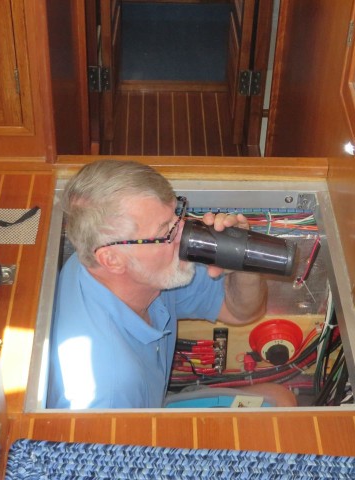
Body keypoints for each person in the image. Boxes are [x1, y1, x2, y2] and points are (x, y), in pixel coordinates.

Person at [47, 159, 296, 409]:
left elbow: (239, 311)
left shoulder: (147, 272)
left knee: (280, 401)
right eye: (165, 231)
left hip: (147, 406)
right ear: (112, 259)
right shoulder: (110, 388)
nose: (184, 233)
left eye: (177, 215)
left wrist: (243, 261)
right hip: (127, 435)